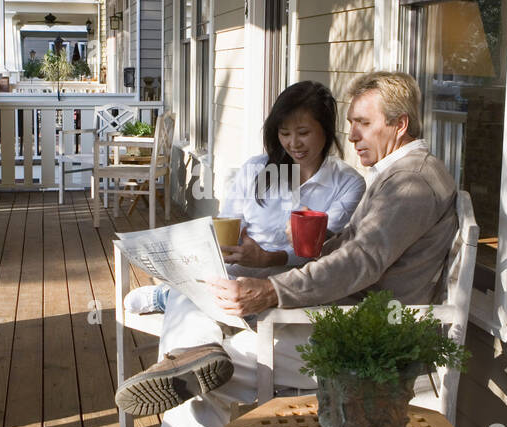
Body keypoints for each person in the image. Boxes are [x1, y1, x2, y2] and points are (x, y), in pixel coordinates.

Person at [101, 71, 458, 427]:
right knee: (197, 296)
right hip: (341, 319)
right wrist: (273, 268)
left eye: (362, 123)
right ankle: (192, 357)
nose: (351, 135)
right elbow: (345, 251)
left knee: (203, 390)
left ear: (398, 126)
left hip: (361, 343)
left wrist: (271, 288)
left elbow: (358, 265)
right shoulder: (400, 175)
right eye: (351, 123)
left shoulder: (411, 183)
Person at [123, 81, 365, 315]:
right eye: (284, 133)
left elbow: (323, 249)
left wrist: (268, 258)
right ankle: (177, 297)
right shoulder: (256, 169)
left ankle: (170, 297)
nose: (293, 143)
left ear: (326, 130)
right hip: (234, 274)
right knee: (203, 303)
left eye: (303, 133)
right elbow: (229, 222)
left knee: (193, 309)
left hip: (290, 286)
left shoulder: (347, 183)